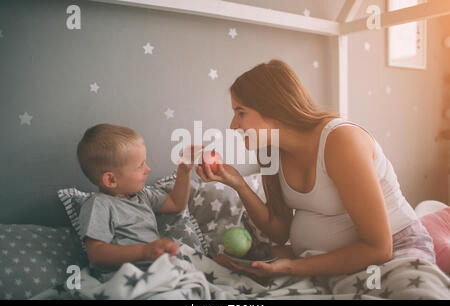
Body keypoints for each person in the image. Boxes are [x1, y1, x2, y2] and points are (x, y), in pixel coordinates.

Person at [196, 59, 436, 278]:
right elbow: (279, 232)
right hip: (328, 260)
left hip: (398, 248)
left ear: (273, 110)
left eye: (240, 112)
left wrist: (291, 266)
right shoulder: (272, 151)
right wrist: (239, 184)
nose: (233, 125)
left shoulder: (340, 141)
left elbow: (379, 248)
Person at [77, 123, 200, 280]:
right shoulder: (99, 204)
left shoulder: (142, 195)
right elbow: (96, 253)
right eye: (140, 166)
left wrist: (184, 171)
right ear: (111, 179)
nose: (148, 169)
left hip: (158, 271)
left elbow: (176, 204)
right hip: (126, 277)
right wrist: (144, 251)